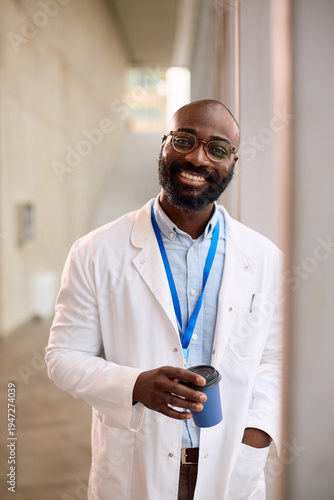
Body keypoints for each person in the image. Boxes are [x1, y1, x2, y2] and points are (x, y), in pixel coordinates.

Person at [45, 99, 283, 500]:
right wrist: (136, 384)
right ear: (163, 144)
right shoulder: (96, 251)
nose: (198, 157)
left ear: (234, 162)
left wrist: (255, 433)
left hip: (229, 464)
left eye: (217, 148)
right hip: (135, 462)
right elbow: (62, 356)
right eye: (184, 140)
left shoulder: (264, 257)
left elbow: (277, 359)